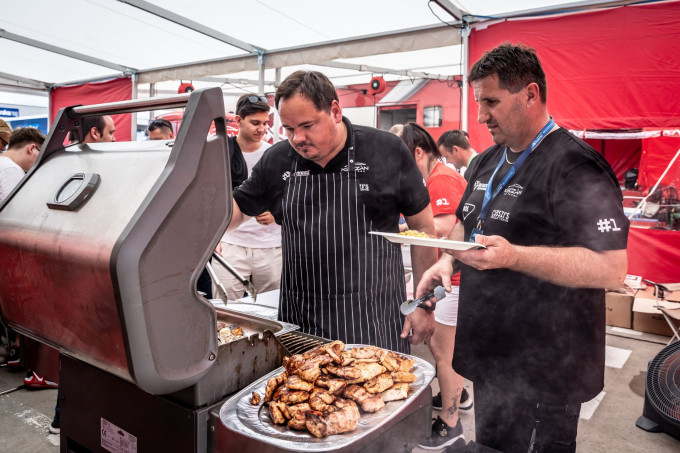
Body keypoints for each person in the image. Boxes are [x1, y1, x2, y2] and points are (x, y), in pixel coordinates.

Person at [416, 43, 629, 452]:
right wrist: (446, 260)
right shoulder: (485, 162)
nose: (481, 116)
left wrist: (515, 256)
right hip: (491, 352)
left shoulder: (576, 165)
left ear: (531, 94)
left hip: (547, 364)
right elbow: (466, 224)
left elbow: (611, 269)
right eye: (480, 102)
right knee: (493, 445)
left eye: (492, 102)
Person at [228, 70, 438, 352]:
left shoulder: (386, 149)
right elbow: (236, 210)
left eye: (307, 126)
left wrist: (423, 305)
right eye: (289, 129)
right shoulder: (277, 160)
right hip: (301, 325)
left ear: (335, 111)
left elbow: (423, 228)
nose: (297, 138)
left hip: (373, 321)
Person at [393, 123, 469, 450]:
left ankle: (450, 424)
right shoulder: (435, 176)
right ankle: (458, 395)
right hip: (449, 276)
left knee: (443, 352)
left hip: (453, 279)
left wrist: (402, 226)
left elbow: (449, 224)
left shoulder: (441, 178)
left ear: (419, 153)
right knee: (447, 352)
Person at [213, 94, 281, 301]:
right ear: (238, 120)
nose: (261, 128)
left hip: (269, 245)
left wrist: (276, 213)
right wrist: (213, 236)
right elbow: (210, 196)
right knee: (225, 311)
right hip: (231, 243)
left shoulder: (274, 154)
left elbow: (287, 193)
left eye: (264, 123)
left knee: (271, 311)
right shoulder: (221, 154)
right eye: (255, 123)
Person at [0, 127, 44, 202]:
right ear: (31, 148)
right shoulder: (11, 169)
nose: (40, 161)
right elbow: (12, 211)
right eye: (41, 155)